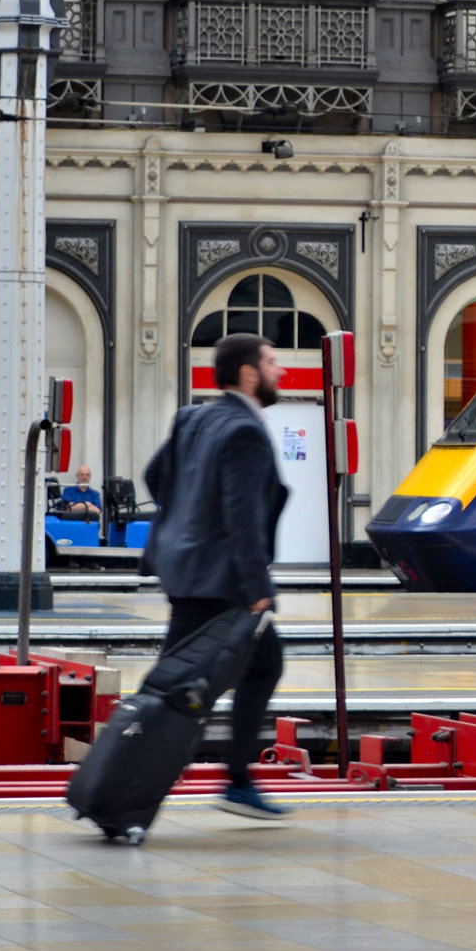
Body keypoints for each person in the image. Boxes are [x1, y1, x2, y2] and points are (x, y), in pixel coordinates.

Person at [142, 332, 292, 821]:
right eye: (272, 362)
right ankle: (226, 780)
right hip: (222, 584)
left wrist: (184, 523)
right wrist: (258, 591)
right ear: (249, 373)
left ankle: (128, 777)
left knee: (175, 683)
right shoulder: (244, 432)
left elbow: (154, 475)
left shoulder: (193, 417)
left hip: (184, 573)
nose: (280, 371)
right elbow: (241, 517)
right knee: (255, 668)